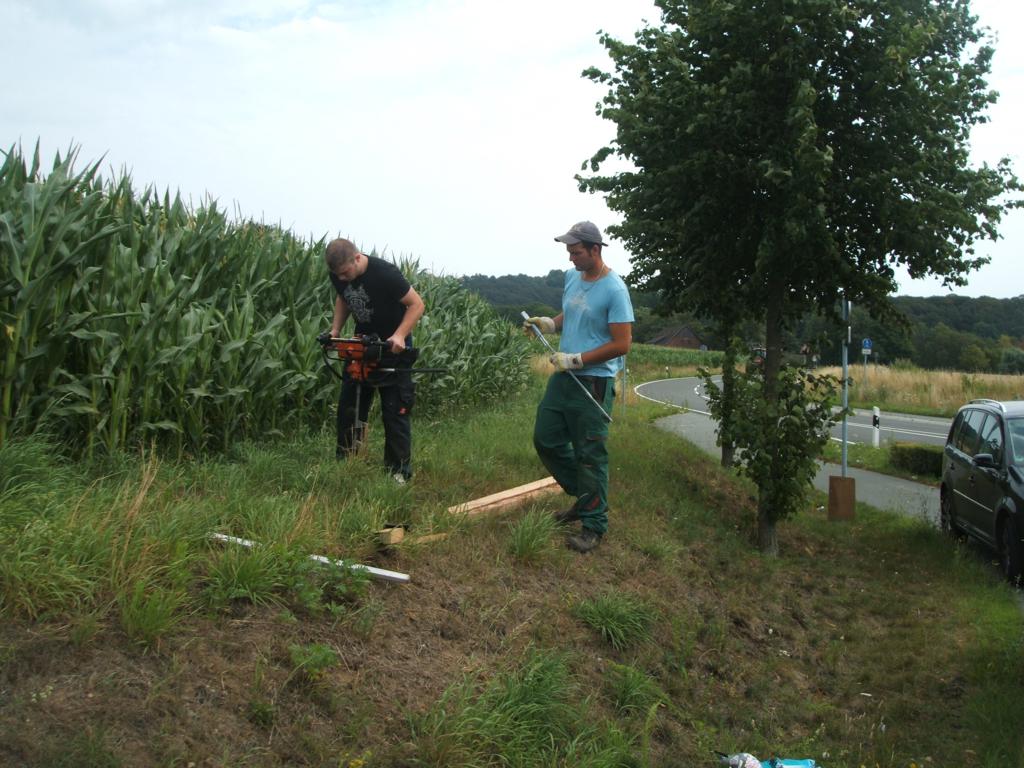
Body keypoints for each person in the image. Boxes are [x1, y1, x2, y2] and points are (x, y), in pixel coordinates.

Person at [524, 221, 634, 553]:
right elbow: (572, 314)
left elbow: (622, 344)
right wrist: (549, 323)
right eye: (569, 252)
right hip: (564, 379)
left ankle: (593, 525)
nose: (570, 258)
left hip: (594, 382)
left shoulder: (615, 290)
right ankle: (586, 498)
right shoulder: (573, 277)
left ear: (595, 250)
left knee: (590, 455)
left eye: (576, 252)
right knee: (545, 438)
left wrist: (577, 359)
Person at [325, 238, 425, 482]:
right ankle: (347, 462)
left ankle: (398, 472)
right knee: (350, 407)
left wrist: (400, 335)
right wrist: (335, 330)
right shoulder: (339, 275)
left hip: (393, 348)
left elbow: (417, 304)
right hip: (363, 346)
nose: (342, 278)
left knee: (395, 410)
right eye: (338, 275)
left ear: (357, 258)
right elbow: (343, 298)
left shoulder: (385, 273)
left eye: (345, 273)